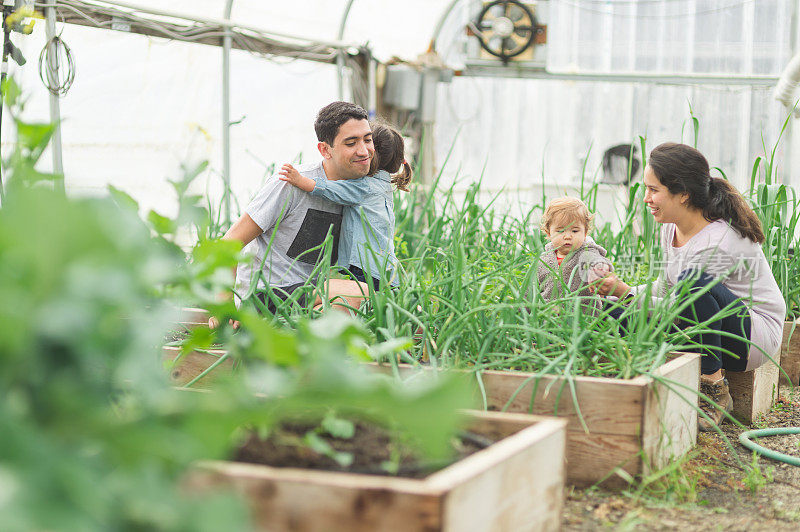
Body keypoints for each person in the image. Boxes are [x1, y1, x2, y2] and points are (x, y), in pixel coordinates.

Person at [593, 142, 786, 431]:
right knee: (608, 311)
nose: (646, 198)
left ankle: (714, 387)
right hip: (707, 323)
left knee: (693, 282)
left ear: (683, 193)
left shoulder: (718, 240)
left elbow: (682, 305)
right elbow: (663, 288)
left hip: (752, 335)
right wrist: (619, 292)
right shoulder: (670, 228)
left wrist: (627, 294)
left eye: (653, 189)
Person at [210, 101, 374, 328]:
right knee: (361, 292)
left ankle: (287, 345)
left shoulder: (358, 191)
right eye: (351, 143)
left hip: (305, 296)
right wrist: (224, 305)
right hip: (265, 295)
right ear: (325, 150)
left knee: (344, 306)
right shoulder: (291, 184)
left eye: (368, 139)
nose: (364, 151)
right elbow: (230, 242)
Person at [278, 122, 412, 291]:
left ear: (371, 154)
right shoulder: (384, 186)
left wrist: (301, 180)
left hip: (367, 268)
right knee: (375, 311)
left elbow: (331, 190)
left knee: (358, 302)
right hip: (384, 267)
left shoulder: (365, 186)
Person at [536, 197, 612, 316]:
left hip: (584, 320)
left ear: (585, 232)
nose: (567, 236)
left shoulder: (586, 253)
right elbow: (531, 290)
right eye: (560, 231)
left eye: (575, 231)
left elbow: (597, 260)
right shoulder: (544, 260)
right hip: (549, 321)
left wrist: (599, 270)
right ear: (549, 233)